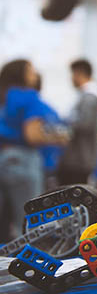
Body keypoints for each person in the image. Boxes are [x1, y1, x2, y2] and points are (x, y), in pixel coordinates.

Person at [0, 60, 68, 240]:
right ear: (20, 73)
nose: (35, 74)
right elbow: (32, 135)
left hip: (5, 157)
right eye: (30, 70)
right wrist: (58, 138)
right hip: (24, 160)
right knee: (28, 221)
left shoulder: (6, 96)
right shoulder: (29, 97)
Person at [57, 59, 97, 186]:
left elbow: (84, 124)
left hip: (79, 159)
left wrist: (63, 126)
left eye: (72, 74)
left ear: (79, 73)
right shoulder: (88, 96)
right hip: (80, 159)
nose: (71, 78)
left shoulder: (89, 97)